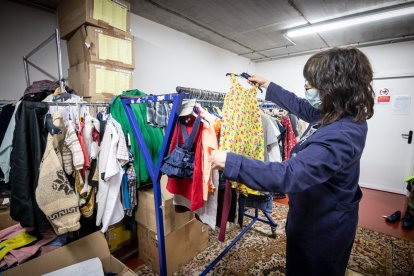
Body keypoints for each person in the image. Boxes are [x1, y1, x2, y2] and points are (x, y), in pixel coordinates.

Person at [211, 47, 375, 276]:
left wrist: (230, 161)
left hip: (323, 229)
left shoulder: (342, 133)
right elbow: (301, 107)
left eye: (311, 85)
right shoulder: (340, 114)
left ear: (335, 88)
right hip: (316, 213)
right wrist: (269, 85)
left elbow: (288, 175)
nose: (307, 89)